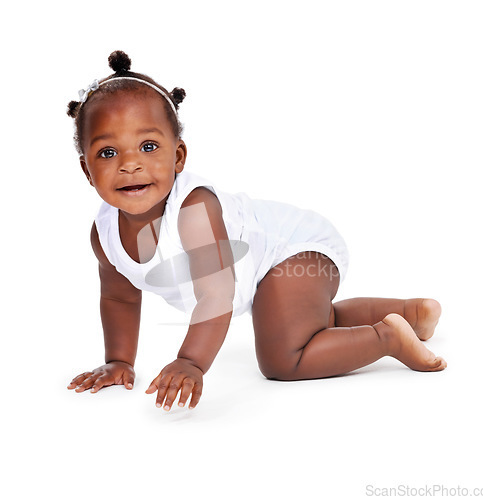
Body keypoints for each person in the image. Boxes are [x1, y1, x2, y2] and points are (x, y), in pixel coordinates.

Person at [66, 51, 446, 411]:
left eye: (148, 146)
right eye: (108, 153)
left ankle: (389, 338)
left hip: (293, 250)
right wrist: (118, 360)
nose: (130, 164)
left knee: (283, 358)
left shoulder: (194, 210)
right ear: (87, 170)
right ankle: (411, 314)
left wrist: (191, 362)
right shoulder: (105, 234)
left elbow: (216, 296)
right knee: (304, 323)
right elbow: (120, 298)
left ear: (178, 156)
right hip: (274, 264)